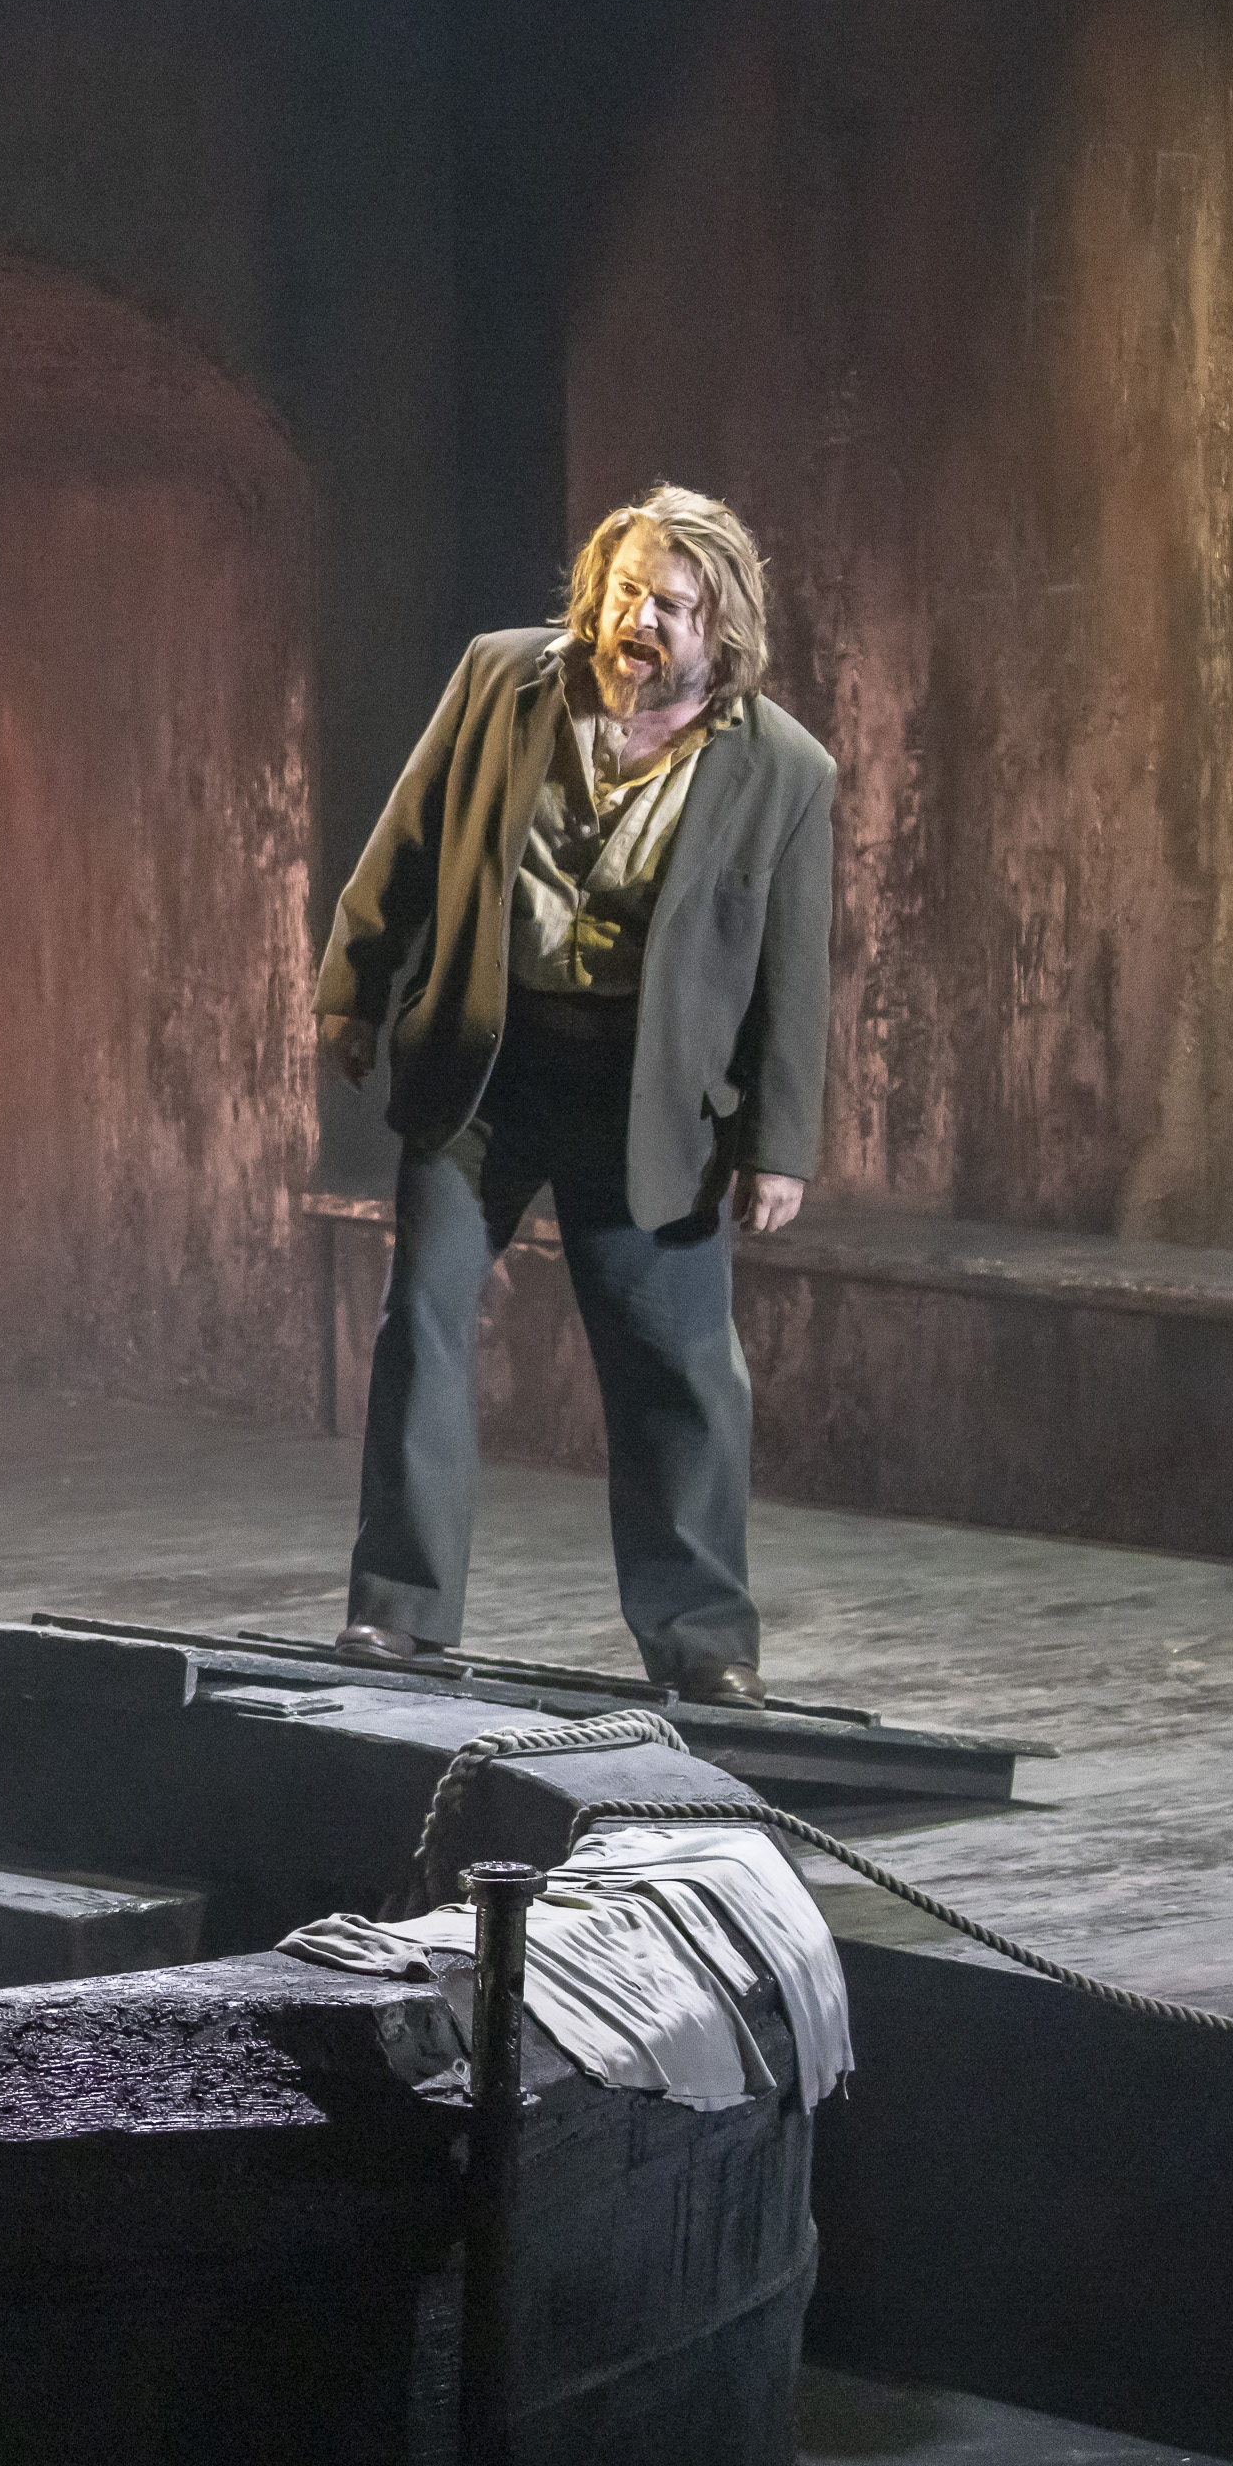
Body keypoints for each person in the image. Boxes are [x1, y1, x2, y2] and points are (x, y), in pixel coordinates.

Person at [313, 484, 834, 1710]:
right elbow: (406, 837)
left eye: (668, 607)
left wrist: (780, 1143)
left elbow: (794, 970)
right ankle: (399, 1613)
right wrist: (354, 988)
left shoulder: (784, 769)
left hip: (645, 1094)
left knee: (679, 1369)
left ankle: (704, 1641)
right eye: (624, 591)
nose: (633, 621)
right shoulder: (503, 680)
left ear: (722, 628)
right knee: (422, 1325)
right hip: (486, 1068)